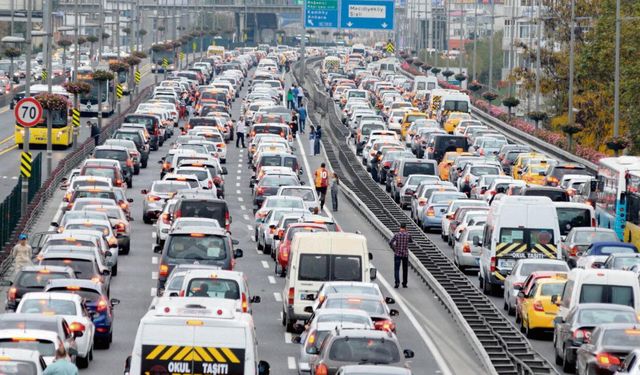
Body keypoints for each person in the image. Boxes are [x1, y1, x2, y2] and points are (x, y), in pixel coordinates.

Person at [389, 223, 412, 288]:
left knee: (396, 269)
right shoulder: (408, 235)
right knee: (405, 269)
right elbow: (411, 241)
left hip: (397, 254)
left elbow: (390, 242)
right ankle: (404, 283)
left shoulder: (396, 235)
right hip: (405, 254)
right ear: (405, 228)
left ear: (400, 227)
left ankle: (397, 282)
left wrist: (394, 248)